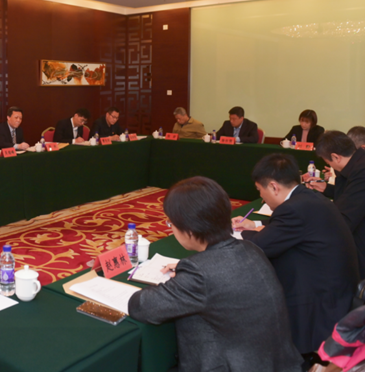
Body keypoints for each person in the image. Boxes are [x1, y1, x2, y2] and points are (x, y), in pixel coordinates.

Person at [127, 176, 302, 372]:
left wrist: (190, 277)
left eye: (171, 223)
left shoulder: (200, 272)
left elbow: (142, 307)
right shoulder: (250, 248)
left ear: (189, 228)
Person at [233, 154, 358, 369]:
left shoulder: (293, 209)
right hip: (338, 290)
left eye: (259, 190)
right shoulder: (307, 198)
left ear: (273, 187)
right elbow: (285, 226)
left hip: (320, 301)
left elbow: (261, 246)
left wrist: (236, 235)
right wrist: (255, 225)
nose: (261, 197)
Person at [305, 130, 365, 277]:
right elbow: (351, 194)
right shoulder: (357, 161)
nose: (329, 165)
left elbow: (345, 218)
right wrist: (327, 188)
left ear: (336, 157)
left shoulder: (361, 170)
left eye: (328, 162)